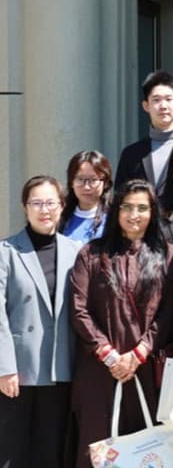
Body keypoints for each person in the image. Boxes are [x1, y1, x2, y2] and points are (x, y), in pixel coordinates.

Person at [69, 179, 173, 468]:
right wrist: (110, 356)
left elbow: (170, 314)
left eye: (142, 208)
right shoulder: (91, 254)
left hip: (147, 369)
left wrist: (138, 354)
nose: (134, 215)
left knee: (147, 451)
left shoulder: (169, 256)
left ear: (153, 212)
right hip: (99, 370)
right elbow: (79, 309)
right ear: (115, 210)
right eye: (127, 207)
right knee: (97, 451)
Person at [0, 176, 78, 467]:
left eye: (50, 203)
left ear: (62, 206)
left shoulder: (75, 251)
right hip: (18, 371)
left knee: (52, 451)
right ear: (25, 207)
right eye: (36, 203)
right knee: (13, 451)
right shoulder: (6, 251)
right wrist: (4, 368)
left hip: (61, 368)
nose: (44, 210)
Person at [117, 70, 173, 190]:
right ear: (146, 106)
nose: (163, 106)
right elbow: (120, 196)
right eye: (156, 100)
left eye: (168, 99)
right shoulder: (131, 154)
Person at [61, 150, 113, 244]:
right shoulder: (60, 216)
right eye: (80, 179)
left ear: (105, 183)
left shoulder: (114, 218)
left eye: (93, 180)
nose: (86, 187)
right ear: (71, 182)